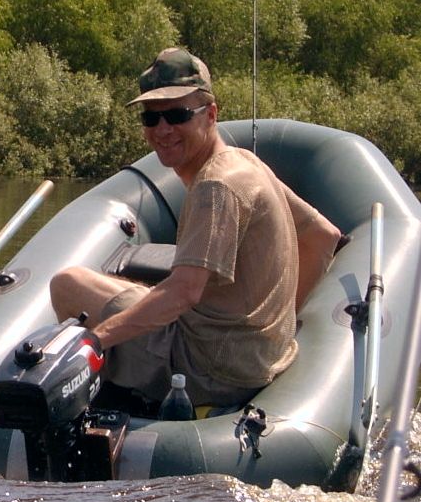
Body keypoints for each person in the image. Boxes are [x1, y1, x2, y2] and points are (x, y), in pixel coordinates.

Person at [50, 47, 342, 409]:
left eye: (177, 115)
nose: (162, 130)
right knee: (120, 287)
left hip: (209, 371)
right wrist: (277, 328)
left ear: (211, 114)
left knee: (68, 285)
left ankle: (109, 403)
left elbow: (183, 294)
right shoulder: (246, 163)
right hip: (256, 358)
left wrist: (93, 342)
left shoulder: (214, 186)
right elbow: (323, 236)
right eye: (151, 118)